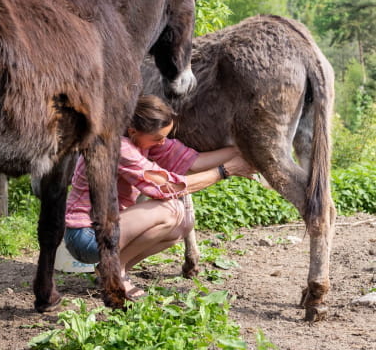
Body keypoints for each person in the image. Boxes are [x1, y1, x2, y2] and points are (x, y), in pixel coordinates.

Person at [64, 94, 256, 298]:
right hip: (85, 237)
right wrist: (226, 170)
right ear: (133, 131)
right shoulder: (116, 147)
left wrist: (244, 152)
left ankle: (113, 270)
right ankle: (114, 273)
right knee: (171, 211)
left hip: (109, 230)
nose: (163, 142)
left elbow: (195, 161)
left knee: (180, 227)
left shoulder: (143, 141)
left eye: (165, 135)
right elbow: (168, 187)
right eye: (158, 138)